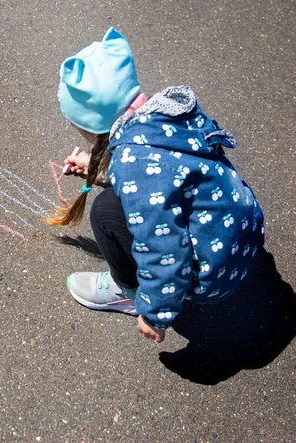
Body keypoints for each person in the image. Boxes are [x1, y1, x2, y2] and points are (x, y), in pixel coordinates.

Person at [46, 27, 265, 343]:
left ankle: (127, 290)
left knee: (105, 211)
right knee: (124, 200)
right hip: (241, 238)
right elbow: (162, 176)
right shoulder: (166, 115)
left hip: (213, 275)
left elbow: (164, 248)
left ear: (92, 127)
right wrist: (100, 171)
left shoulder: (135, 167)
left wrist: (155, 313)